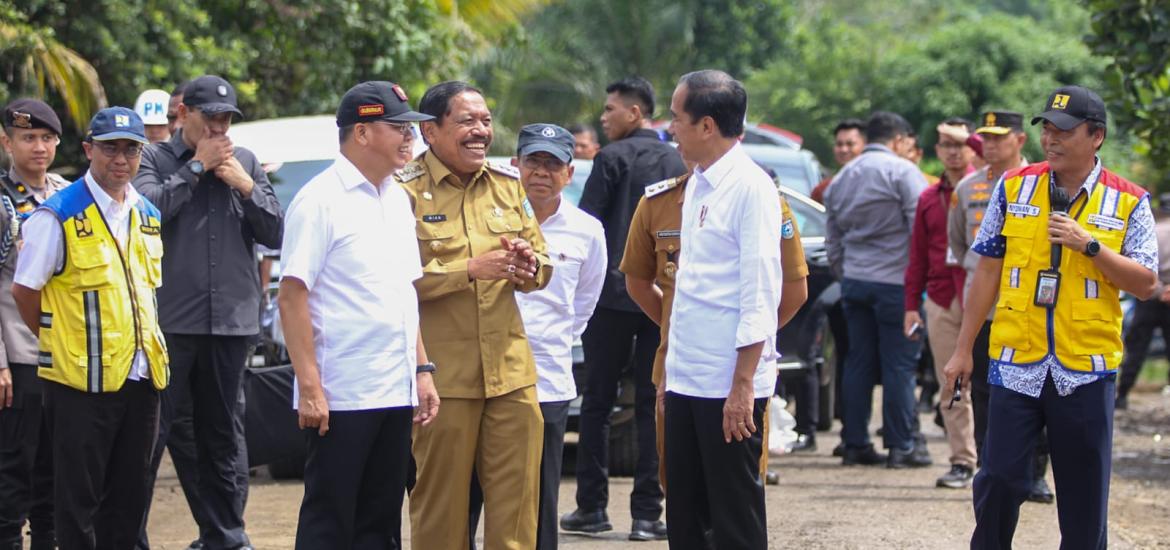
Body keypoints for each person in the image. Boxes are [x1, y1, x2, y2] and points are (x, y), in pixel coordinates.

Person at [944, 85, 1158, 549]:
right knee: (998, 479)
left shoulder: (1129, 201)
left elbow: (1144, 283)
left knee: (1083, 501)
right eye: (1047, 129)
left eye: (1064, 130)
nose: (1052, 139)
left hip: (1085, 369)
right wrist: (963, 349)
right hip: (1016, 361)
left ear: (1096, 136)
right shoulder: (1014, 186)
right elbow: (987, 270)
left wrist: (1090, 245)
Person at [278, 80, 440, 549]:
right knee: (330, 520)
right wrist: (310, 387)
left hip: (393, 387)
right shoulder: (319, 200)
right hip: (341, 392)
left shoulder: (396, 196)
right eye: (398, 129)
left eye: (411, 130)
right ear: (362, 133)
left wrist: (422, 370)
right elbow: (292, 297)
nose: (409, 139)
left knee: (382, 519)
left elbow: (404, 293)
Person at [399, 80, 553, 549]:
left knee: (518, 509)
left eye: (485, 121)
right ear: (431, 131)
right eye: (466, 121)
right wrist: (468, 268)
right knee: (441, 509)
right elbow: (394, 282)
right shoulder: (403, 192)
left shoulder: (509, 187)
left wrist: (530, 265)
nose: (480, 132)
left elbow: (543, 263)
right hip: (443, 380)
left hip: (511, 374)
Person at [134, 74, 282, 550]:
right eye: (210, 118)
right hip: (170, 321)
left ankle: (225, 536)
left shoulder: (246, 162)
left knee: (224, 434)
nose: (220, 128)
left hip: (232, 321)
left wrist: (244, 185)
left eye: (227, 119)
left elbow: (278, 231)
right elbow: (145, 213)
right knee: (150, 434)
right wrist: (195, 169)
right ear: (184, 115)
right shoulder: (152, 159)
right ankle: (128, 537)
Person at [11, 107, 168, 550]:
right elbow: (25, 291)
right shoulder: (57, 215)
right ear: (88, 150)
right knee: (76, 503)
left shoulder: (148, 213)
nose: (120, 159)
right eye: (110, 148)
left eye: (131, 150)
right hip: (79, 383)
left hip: (141, 376)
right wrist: (57, 339)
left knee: (130, 499)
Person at [621, 162, 810, 493]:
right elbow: (638, 282)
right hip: (678, 369)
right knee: (683, 492)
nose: (680, 138)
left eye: (684, 124)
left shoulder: (758, 196)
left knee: (737, 495)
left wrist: (748, 337)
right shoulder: (659, 201)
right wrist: (681, 331)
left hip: (740, 369)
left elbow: (793, 293)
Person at [467, 123, 606, 550]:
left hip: (545, 378)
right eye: (533, 162)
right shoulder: (485, 219)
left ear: (570, 173)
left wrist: (550, 339)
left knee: (538, 501)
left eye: (552, 164)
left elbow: (583, 306)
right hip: (479, 376)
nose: (541, 173)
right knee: (465, 496)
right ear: (515, 166)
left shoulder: (587, 231)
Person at [659, 69, 781, 549]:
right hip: (689, 377)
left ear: (706, 126)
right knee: (686, 516)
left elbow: (760, 293)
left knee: (734, 519)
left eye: (676, 118)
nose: (670, 128)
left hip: (729, 383)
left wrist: (742, 385)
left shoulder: (750, 187)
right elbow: (691, 290)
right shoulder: (698, 183)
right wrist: (671, 371)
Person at [562, 76, 684, 541]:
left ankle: (591, 507)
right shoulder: (677, 158)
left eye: (610, 110)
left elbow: (588, 228)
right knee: (656, 402)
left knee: (596, 401)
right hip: (660, 296)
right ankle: (648, 514)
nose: (603, 116)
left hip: (611, 297)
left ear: (635, 113)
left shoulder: (611, 158)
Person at [948, 110, 1055, 504]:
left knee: (1038, 389)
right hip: (985, 309)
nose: (990, 145)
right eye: (985, 138)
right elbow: (961, 247)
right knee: (984, 390)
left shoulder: (1047, 183)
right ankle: (989, 469)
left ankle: (1035, 475)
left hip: (1030, 306)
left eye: (998, 137)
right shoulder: (968, 188)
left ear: (1019, 140)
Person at [825, 111, 931, 468]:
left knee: (857, 361)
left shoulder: (841, 178)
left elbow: (833, 237)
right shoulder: (903, 172)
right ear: (899, 140)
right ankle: (900, 446)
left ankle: (854, 443)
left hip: (855, 281)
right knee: (900, 365)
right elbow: (922, 228)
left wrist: (846, 274)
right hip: (897, 285)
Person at [0, 98, 68, 550]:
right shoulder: (4, 202)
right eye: (28, 138)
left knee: (56, 476)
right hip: (18, 356)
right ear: (6, 142)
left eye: (46, 138)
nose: (38, 147)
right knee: (12, 475)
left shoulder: (67, 194)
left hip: (63, 356)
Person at [904, 117, 978, 487]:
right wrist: (910, 305)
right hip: (941, 297)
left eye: (959, 144)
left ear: (972, 149)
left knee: (994, 385)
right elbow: (916, 255)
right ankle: (962, 460)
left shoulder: (986, 190)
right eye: (945, 145)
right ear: (937, 151)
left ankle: (996, 459)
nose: (952, 151)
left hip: (982, 295)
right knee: (952, 382)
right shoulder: (928, 198)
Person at [1115, 192, 1170, 409]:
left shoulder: (1152, 231)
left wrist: (1158, 290)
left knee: (1136, 348)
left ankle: (1123, 395)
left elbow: (1139, 265)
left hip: (1147, 297)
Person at [810, 119, 865, 204]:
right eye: (839, 144)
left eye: (850, 144)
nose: (844, 149)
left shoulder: (877, 187)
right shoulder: (823, 190)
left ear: (865, 146)